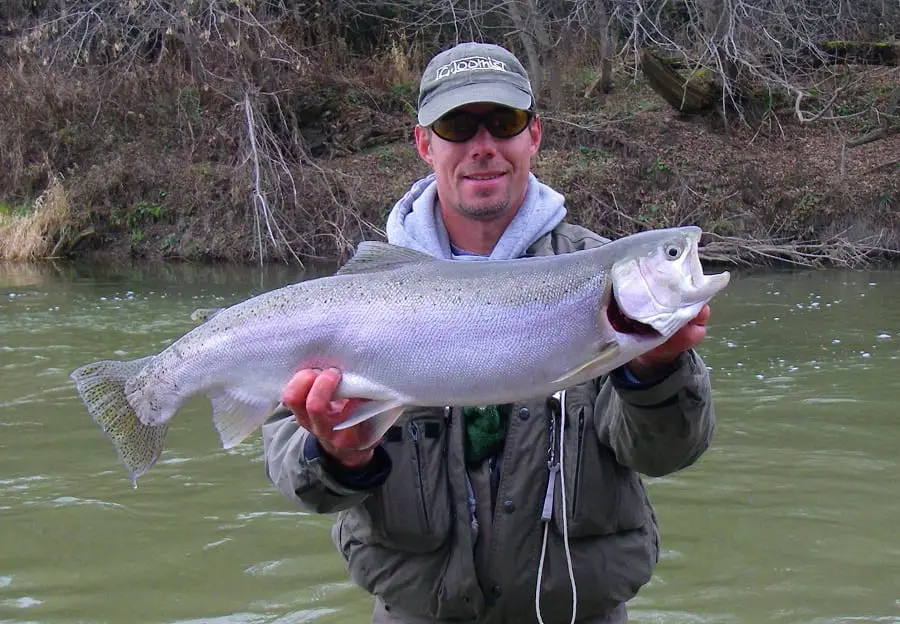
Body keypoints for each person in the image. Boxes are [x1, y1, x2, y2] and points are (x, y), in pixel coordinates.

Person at [262, 41, 716, 624]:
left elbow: (666, 454)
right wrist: (337, 454)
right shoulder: (355, 301)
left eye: (503, 123)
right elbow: (304, 485)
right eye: (457, 125)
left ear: (534, 136)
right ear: (424, 142)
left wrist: (655, 372)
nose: (483, 147)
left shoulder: (598, 277)